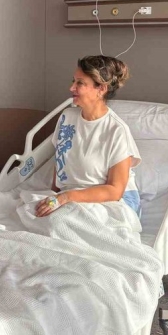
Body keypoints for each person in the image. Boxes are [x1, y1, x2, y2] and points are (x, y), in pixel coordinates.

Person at [35, 55, 141, 218]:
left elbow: (115, 191)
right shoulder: (67, 117)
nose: (71, 88)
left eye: (80, 83)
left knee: (61, 222)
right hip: (71, 196)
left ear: (101, 89)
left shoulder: (116, 131)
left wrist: (66, 197)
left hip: (112, 202)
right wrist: (54, 195)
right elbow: (60, 159)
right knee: (34, 214)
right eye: (73, 81)